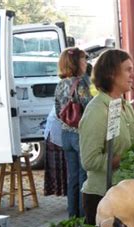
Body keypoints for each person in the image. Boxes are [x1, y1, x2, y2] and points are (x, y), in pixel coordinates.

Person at [79, 49, 134, 225]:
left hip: (125, 193)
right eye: (128, 70)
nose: (133, 75)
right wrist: (122, 159)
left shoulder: (124, 105)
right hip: (102, 197)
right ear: (111, 73)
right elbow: (89, 161)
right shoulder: (97, 110)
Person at [55, 47, 92, 217]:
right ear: (76, 62)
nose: (86, 63)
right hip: (80, 134)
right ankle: (84, 217)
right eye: (84, 59)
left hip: (66, 134)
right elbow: (89, 107)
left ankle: (72, 216)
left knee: (72, 178)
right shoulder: (81, 82)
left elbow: (57, 111)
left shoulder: (60, 84)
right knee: (84, 177)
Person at [43, 108, 67, 197]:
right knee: (64, 168)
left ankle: (67, 197)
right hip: (56, 134)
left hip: (55, 131)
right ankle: (64, 193)